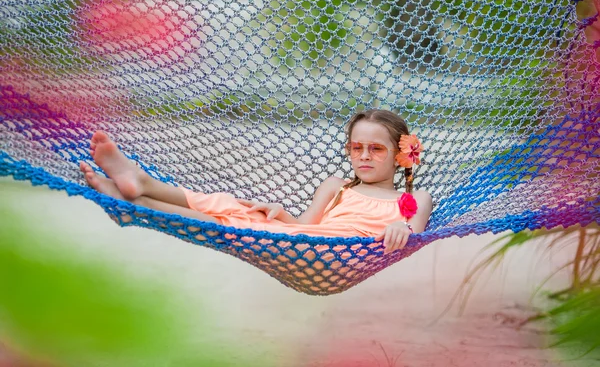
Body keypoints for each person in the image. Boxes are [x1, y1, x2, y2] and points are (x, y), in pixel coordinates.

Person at [80, 109, 433, 253]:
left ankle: (135, 196)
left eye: (376, 149)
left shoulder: (416, 198)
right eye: (357, 148)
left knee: (229, 222)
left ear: (400, 155)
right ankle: (138, 189)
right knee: (230, 206)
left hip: (336, 253)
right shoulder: (336, 185)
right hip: (301, 242)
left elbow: (413, 234)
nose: (364, 156)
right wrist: (280, 213)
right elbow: (305, 226)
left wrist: (399, 231)